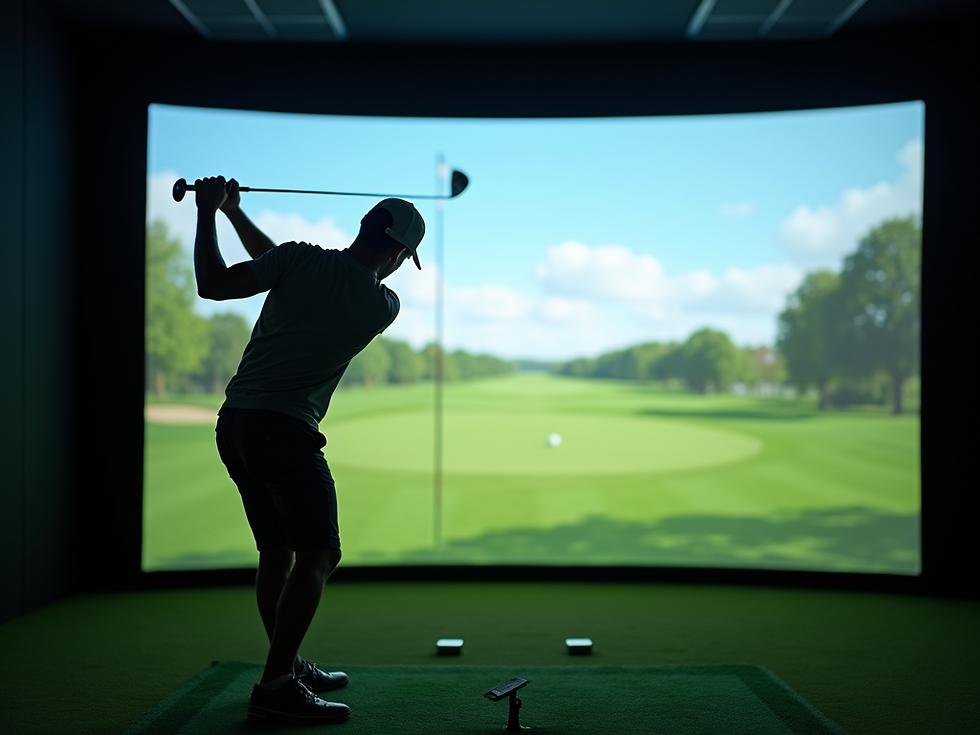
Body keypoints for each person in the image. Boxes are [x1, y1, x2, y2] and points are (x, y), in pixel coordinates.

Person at [192, 175, 425, 723]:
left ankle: (288, 664)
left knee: (277, 552)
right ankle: (276, 685)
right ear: (396, 252)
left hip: (236, 426)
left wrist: (214, 211)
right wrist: (226, 212)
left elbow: (222, 282)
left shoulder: (298, 261)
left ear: (364, 228)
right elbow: (285, 267)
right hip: (285, 432)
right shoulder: (381, 304)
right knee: (318, 555)